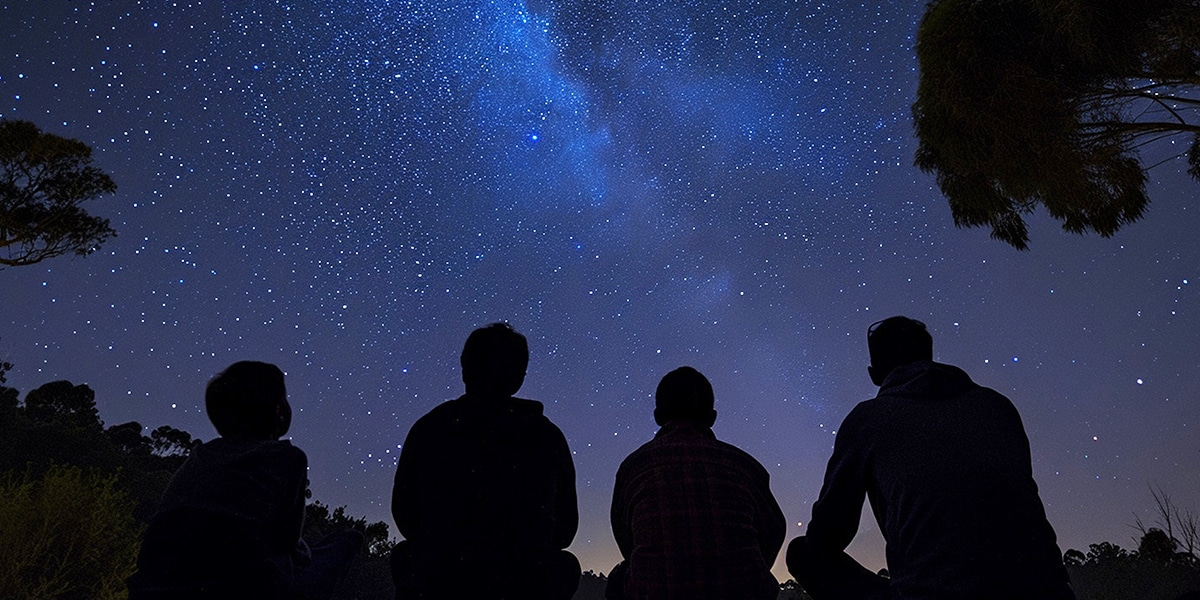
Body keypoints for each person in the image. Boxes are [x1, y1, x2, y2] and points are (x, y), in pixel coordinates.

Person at [787, 316, 1075, 600]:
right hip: (1048, 591)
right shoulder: (997, 406)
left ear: (874, 374)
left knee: (803, 554)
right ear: (929, 356)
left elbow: (828, 535)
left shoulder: (868, 420)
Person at [128, 361, 362, 600]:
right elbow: (286, 538)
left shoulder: (200, 455)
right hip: (246, 583)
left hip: (158, 582)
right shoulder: (289, 458)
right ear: (279, 410)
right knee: (346, 542)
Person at [390, 322, 580, 600]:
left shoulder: (430, 427)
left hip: (441, 579)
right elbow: (565, 529)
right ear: (519, 375)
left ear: (465, 368)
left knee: (405, 557)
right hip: (527, 581)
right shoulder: (546, 435)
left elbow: (404, 514)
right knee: (566, 566)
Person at [607, 366, 786, 600]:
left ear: (658, 416)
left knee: (619, 579)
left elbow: (626, 541)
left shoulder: (633, 467)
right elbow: (774, 531)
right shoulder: (746, 466)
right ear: (712, 417)